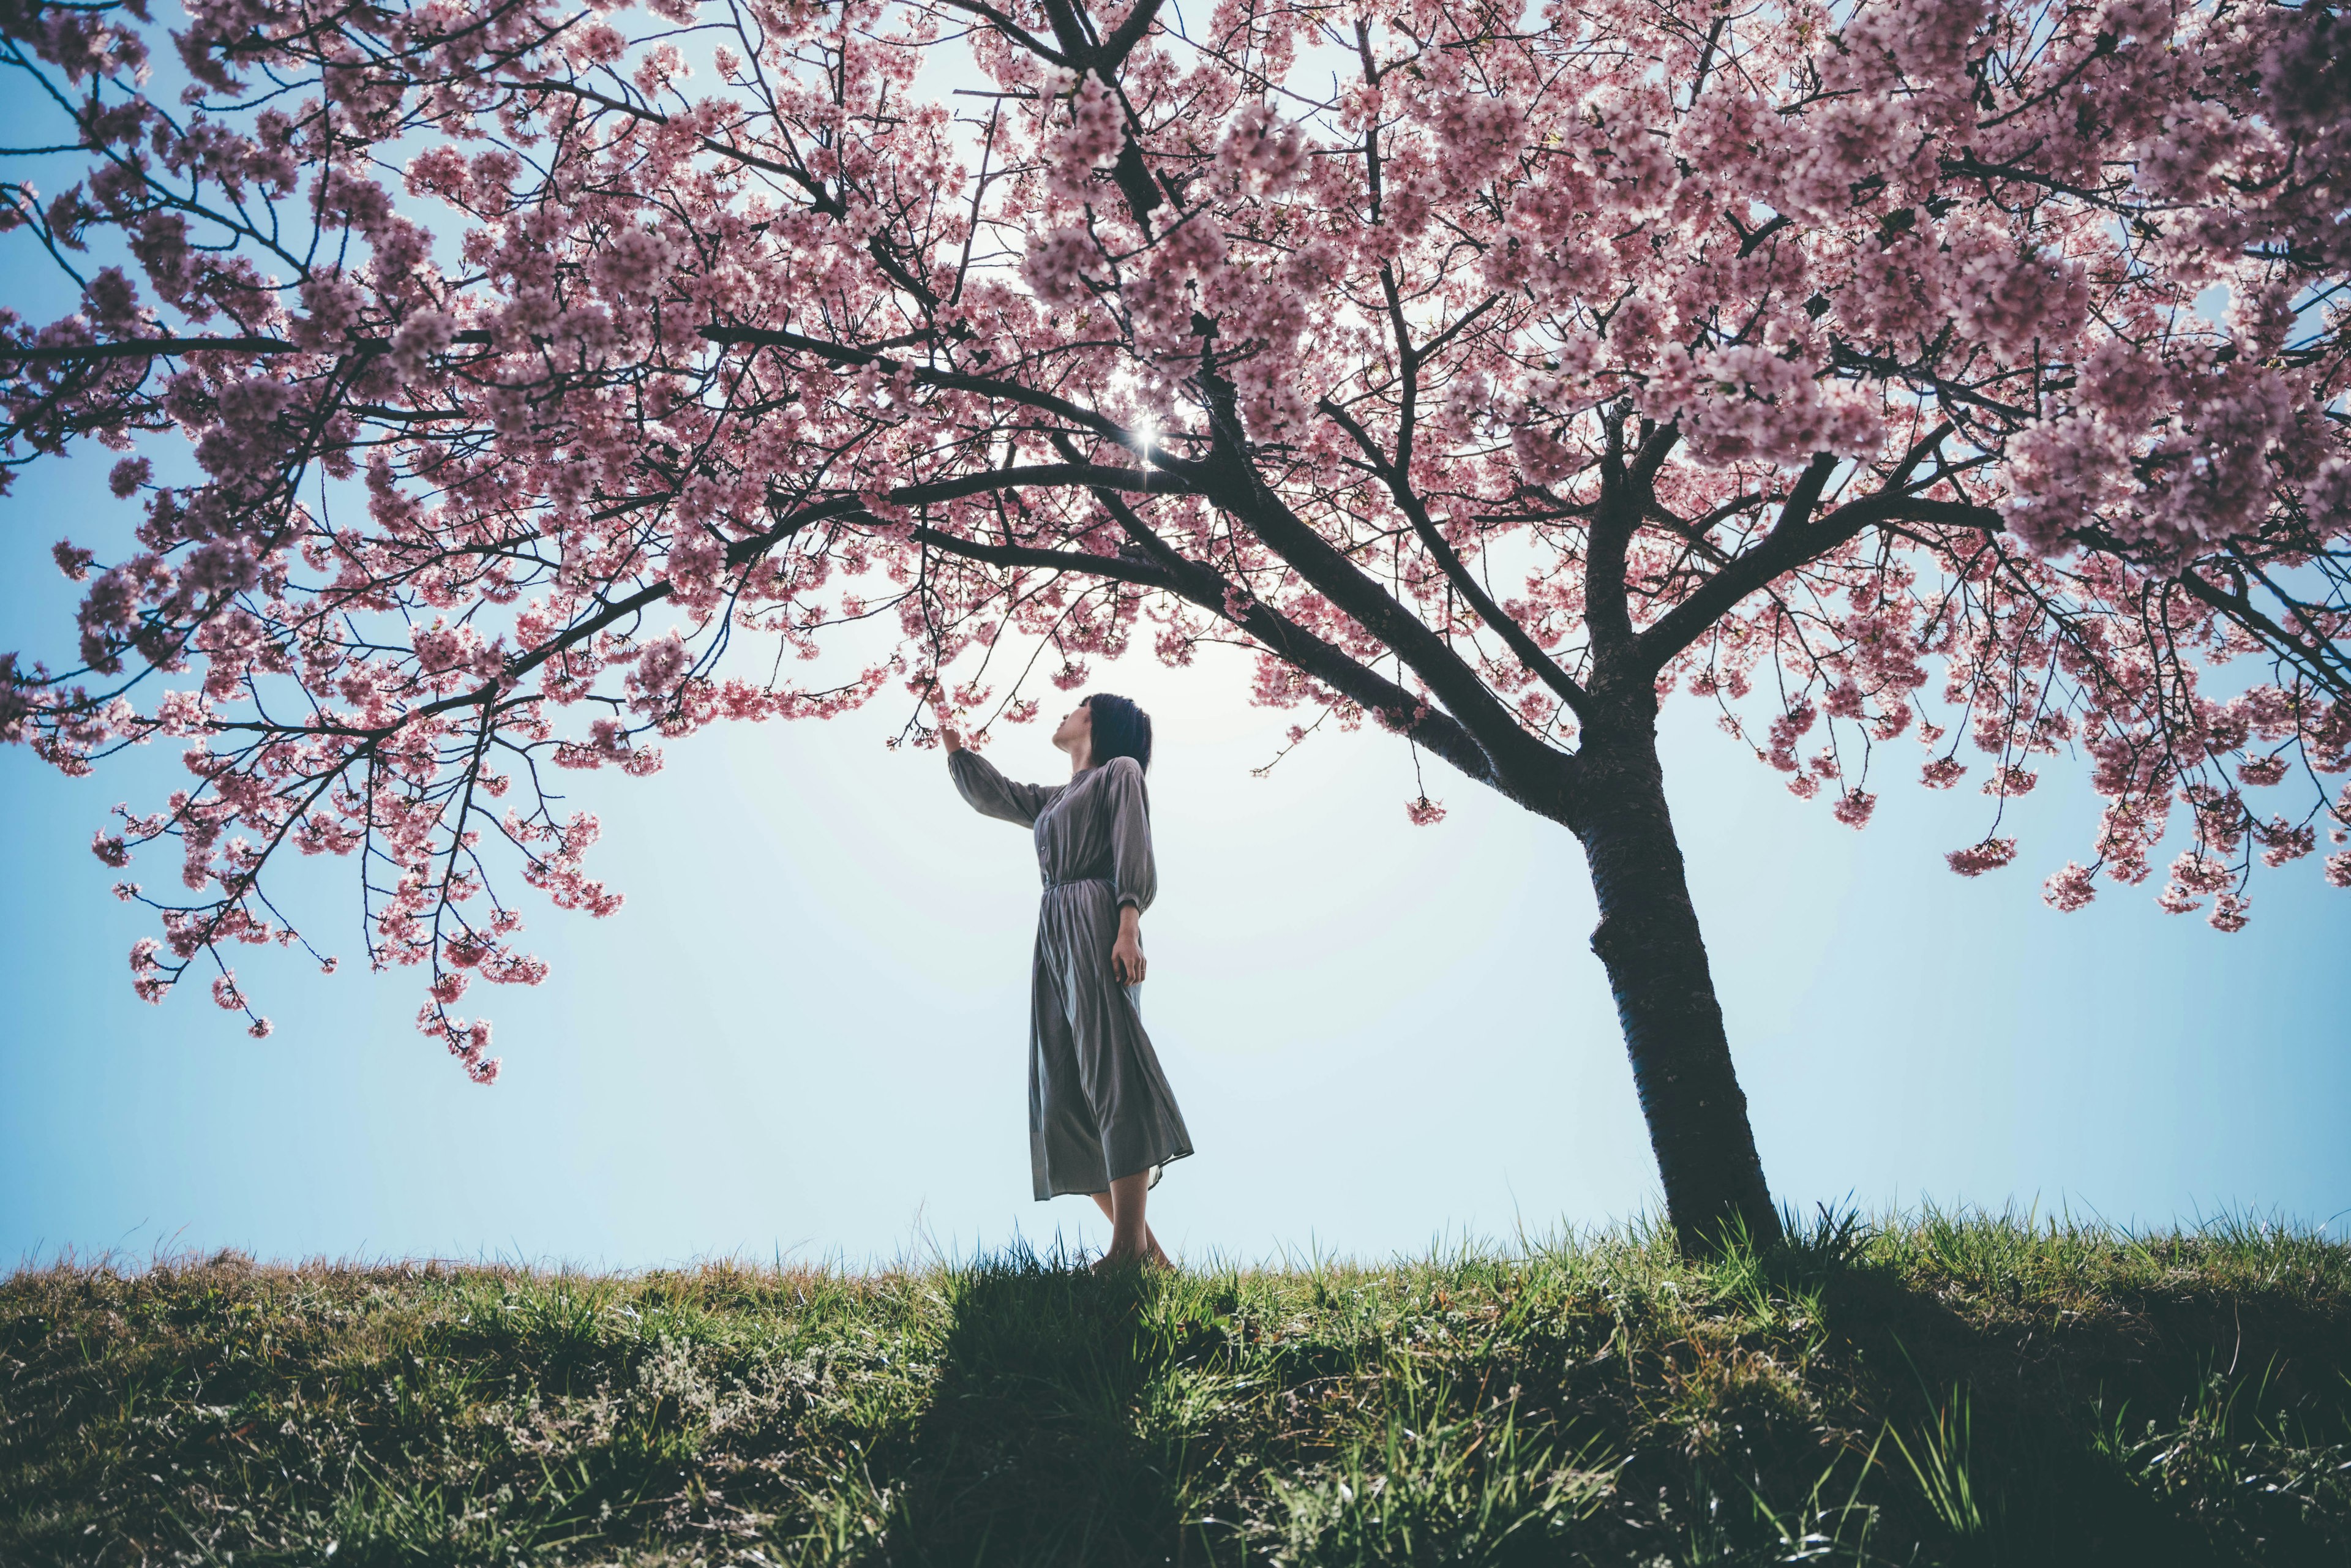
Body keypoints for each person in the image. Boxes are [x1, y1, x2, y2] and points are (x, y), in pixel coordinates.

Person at [937, 692, 1193, 1270]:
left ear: (1097, 722)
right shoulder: (1055, 800)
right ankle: (1149, 1257)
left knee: (1112, 1070)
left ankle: (1125, 1250)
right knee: (1064, 1094)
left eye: (1077, 705)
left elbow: (1134, 845)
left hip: (1098, 918)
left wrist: (1127, 922)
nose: (1064, 712)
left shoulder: (1119, 774)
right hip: (1052, 933)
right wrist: (950, 735)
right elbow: (994, 795)